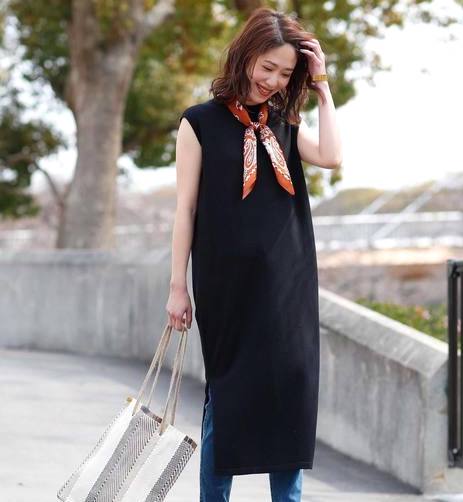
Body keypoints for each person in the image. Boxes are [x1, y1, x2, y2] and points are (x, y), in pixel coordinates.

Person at [166, 7, 342, 501]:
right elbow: (185, 209)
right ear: (245, 56)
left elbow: (332, 156)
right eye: (268, 67)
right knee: (228, 397)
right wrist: (178, 286)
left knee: (291, 396)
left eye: (285, 74)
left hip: (289, 282)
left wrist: (322, 86)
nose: (273, 81)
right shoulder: (199, 123)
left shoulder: (284, 123)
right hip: (226, 286)